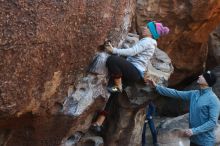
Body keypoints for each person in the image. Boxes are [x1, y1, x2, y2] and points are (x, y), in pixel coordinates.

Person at [90, 21, 170, 132]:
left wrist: (113, 50)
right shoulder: (150, 42)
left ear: (152, 32)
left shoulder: (148, 41)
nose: (144, 28)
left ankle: (119, 85)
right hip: (133, 73)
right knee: (111, 96)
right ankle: (99, 122)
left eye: (147, 27)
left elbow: (132, 52)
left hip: (133, 71)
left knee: (112, 60)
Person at [146, 70, 220, 146]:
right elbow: (176, 93)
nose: (199, 76)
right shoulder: (194, 94)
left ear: (207, 82)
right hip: (193, 140)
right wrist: (156, 87)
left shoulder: (213, 100)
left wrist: (194, 131)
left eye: (203, 76)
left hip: (205, 142)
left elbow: (212, 122)